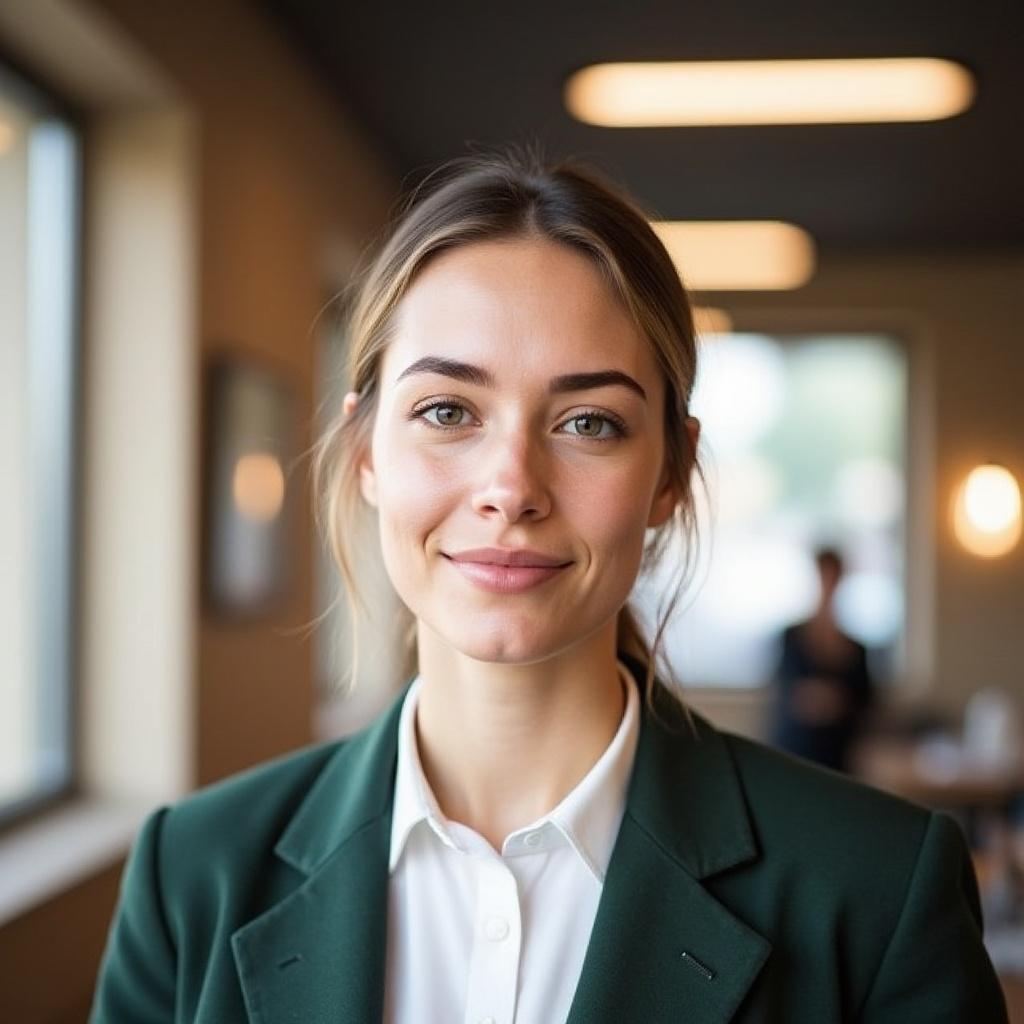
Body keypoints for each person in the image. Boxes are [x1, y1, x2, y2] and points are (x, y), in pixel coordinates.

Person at [89, 149, 1008, 1023]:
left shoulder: (879, 888)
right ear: (366, 452)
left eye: (588, 423)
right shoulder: (190, 874)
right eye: (447, 411)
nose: (512, 488)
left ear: (670, 471)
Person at [771, 546, 875, 772]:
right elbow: (785, 692)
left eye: (832, 577)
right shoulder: (792, 638)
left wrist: (835, 703)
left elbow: (867, 703)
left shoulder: (856, 649)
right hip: (794, 752)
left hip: (838, 756)